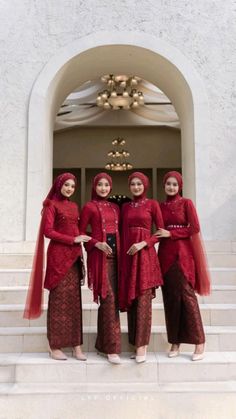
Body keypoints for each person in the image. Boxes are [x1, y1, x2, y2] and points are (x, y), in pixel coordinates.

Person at [24, 173, 91, 361]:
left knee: (74, 302)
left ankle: (77, 346)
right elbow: (48, 232)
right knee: (59, 302)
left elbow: (76, 230)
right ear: (59, 185)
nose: (69, 188)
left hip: (74, 257)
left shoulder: (73, 206)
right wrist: (72, 239)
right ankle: (55, 346)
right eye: (66, 185)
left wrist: (88, 239)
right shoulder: (51, 205)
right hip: (58, 257)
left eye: (72, 186)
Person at [156, 171, 211, 361]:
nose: (171, 187)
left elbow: (194, 228)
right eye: (168, 184)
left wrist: (171, 234)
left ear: (180, 186)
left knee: (187, 298)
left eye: (174, 184)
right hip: (164, 257)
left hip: (182, 256)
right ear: (164, 186)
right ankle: (175, 342)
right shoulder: (161, 206)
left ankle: (199, 341)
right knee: (170, 299)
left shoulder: (186, 203)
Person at [119, 172, 164, 363]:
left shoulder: (153, 204)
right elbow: (120, 230)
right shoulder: (126, 206)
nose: (136, 187)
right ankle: (134, 342)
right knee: (133, 300)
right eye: (133, 184)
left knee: (144, 299)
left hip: (145, 255)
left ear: (145, 185)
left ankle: (142, 346)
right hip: (129, 256)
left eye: (139, 184)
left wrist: (144, 243)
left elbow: (160, 232)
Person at [79, 173, 121, 364]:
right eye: (100, 185)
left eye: (106, 185)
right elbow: (81, 232)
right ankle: (112, 349)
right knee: (108, 298)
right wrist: (96, 244)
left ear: (110, 187)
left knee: (113, 301)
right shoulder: (88, 207)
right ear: (94, 187)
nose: (103, 188)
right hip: (99, 257)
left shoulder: (114, 207)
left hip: (117, 258)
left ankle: (103, 344)